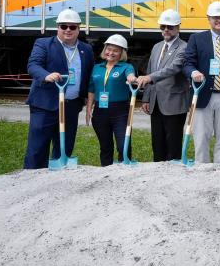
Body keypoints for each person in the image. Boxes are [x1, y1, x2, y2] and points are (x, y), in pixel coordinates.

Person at [22, 9, 93, 169]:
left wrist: (88, 97)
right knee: (37, 148)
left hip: (71, 105)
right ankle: (31, 180)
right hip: (45, 105)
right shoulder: (44, 44)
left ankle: (58, 181)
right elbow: (33, 65)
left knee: (65, 147)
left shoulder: (86, 49)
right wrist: (46, 75)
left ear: (78, 29)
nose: (68, 30)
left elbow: (89, 75)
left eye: (72, 27)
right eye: (64, 26)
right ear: (58, 28)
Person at [182, 1, 220, 164]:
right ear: (208, 19)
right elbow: (187, 63)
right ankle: (201, 168)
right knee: (201, 135)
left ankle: (219, 169)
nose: (218, 21)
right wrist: (193, 72)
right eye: (215, 18)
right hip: (202, 95)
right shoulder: (197, 39)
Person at [132, 9, 189, 162]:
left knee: (173, 143)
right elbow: (151, 69)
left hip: (174, 103)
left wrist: (149, 78)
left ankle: (173, 175)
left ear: (178, 27)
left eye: (170, 27)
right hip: (156, 102)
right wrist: (146, 98)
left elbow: (173, 68)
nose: (166, 30)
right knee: (157, 142)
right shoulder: (157, 46)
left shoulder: (184, 48)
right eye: (162, 26)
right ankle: (157, 173)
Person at [85, 35, 137, 166]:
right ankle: (106, 173)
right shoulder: (97, 67)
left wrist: (131, 78)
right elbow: (91, 89)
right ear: (104, 50)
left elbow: (130, 74)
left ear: (122, 53)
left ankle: (124, 170)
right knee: (105, 147)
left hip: (120, 112)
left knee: (123, 145)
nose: (111, 53)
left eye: (116, 50)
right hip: (100, 112)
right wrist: (88, 108)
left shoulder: (126, 67)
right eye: (109, 49)